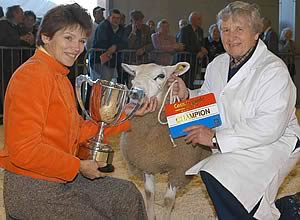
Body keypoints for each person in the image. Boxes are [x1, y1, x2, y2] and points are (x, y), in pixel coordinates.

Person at [0, 4, 157, 219]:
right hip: (33, 188)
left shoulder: (59, 75)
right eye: (68, 38)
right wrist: (79, 166)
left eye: (82, 41)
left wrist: (123, 114)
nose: (77, 47)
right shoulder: (32, 76)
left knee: (126, 195)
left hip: (60, 177)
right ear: (46, 37)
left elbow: (75, 130)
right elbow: (24, 150)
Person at [168, 1, 300, 219]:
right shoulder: (218, 64)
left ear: (256, 32)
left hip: (274, 144)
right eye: (225, 30)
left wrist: (215, 139)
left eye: (240, 29)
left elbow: (270, 126)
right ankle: (288, 209)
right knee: (224, 181)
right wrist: (187, 95)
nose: (231, 36)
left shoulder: (273, 70)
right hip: (235, 141)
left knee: (221, 177)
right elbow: (209, 100)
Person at [90, 9, 127, 82]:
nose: (116, 20)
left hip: (113, 61)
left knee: (112, 81)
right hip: (99, 60)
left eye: (118, 18)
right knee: (105, 80)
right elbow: (101, 42)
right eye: (113, 18)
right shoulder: (102, 27)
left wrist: (115, 47)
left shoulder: (121, 29)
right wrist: (116, 46)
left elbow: (125, 43)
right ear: (108, 17)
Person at [178, 12, 208, 89]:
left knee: (192, 78)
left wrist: (202, 51)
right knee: (184, 78)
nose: (201, 21)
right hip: (186, 58)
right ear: (192, 20)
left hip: (195, 59)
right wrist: (199, 49)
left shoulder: (200, 30)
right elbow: (183, 44)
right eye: (199, 19)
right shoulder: (185, 30)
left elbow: (201, 43)